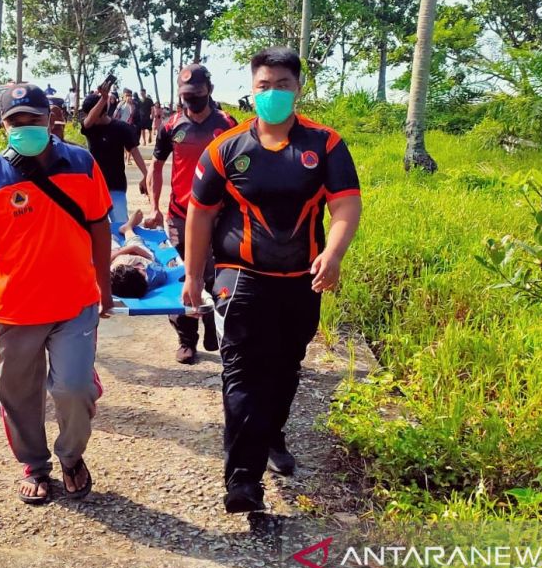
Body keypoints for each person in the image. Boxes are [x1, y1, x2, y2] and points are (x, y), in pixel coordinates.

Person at [183, 47, 362, 513]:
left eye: (282, 85)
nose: (273, 93)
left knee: (285, 369)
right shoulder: (227, 148)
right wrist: (190, 276)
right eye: (264, 86)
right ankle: (243, 481)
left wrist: (334, 252)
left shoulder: (325, 145)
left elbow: (345, 205)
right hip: (239, 276)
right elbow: (199, 215)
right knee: (242, 371)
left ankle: (271, 434)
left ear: (298, 88)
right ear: (251, 89)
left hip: (302, 278)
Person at [0, 82, 113, 505]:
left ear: (50, 119)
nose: (24, 128)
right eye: (15, 122)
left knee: (71, 388)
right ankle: (35, 465)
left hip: (74, 303)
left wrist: (104, 287)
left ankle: (71, 457)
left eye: (32, 120)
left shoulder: (83, 165)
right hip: (14, 309)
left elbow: (100, 227)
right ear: (3, 125)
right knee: (18, 395)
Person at [145, 63, 236, 365]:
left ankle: (213, 325)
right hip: (180, 216)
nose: (191, 100)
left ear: (208, 90)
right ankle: (187, 339)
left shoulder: (227, 124)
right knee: (181, 276)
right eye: (186, 95)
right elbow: (156, 167)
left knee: (215, 274)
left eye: (196, 93)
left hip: (220, 215)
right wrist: (154, 207)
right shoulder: (171, 126)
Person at [82, 84, 148, 231]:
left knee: (121, 227)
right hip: (94, 188)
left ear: (100, 112)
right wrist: (104, 98)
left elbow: (134, 151)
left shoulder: (121, 128)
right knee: (93, 230)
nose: (87, 117)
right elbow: (87, 121)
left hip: (116, 187)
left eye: (89, 113)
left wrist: (146, 175)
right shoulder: (90, 128)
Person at [110, 209, 167, 298]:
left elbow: (106, 260)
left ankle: (116, 235)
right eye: (140, 270)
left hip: (116, 257)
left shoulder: (112, 272)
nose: (141, 268)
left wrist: (122, 251)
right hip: (142, 257)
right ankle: (127, 229)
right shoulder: (156, 274)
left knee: (108, 245)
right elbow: (140, 252)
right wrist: (135, 250)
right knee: (137, 244)